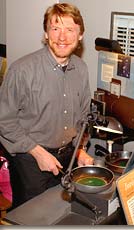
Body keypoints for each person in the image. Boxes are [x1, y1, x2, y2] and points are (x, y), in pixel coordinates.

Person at [0, 3, 93, 208]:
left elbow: (83, 116)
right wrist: (37, 152)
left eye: (70, 30)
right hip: (30, 160)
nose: (62, 37)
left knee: (60, 212)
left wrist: (80, 150)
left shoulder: (82, 69)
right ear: (46, 34)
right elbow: (4, 120)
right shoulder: (21, 71)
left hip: (67, 158)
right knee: (31, 216)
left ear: (80, 36)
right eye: (55, 28)